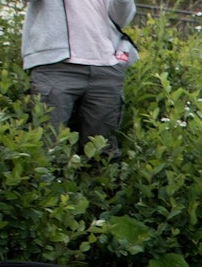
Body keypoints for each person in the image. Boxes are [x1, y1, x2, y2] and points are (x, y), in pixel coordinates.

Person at [21, 0, 138, 159]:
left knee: (102, 153)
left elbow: (121, 19)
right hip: (56, 64)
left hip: (107, 65)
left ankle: (97, 183)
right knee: (46, 147)